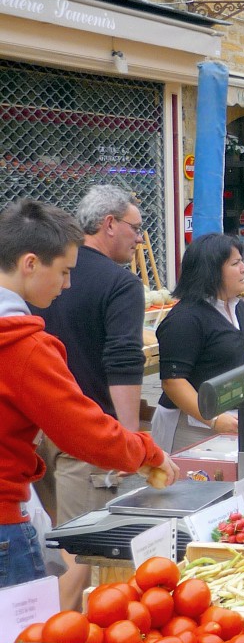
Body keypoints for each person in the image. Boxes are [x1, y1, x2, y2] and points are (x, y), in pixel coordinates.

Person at [0, 199, 177, 587]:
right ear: (30, 263)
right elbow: (81, 428)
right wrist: (147, 451)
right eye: (63, 272)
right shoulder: (21, 345)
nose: (66, 285)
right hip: (4, 520)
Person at [32, 185, 147, 608]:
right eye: (135, 227)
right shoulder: (120, 284)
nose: (139, 238)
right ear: (109, 223)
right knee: (82, 545)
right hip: (86, 431)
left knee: (52, 541)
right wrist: (129, 437)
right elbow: (123, 358)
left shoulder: (39, 274)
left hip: (35, 428)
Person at [153, 233, 244, 454]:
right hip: (194, 428)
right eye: (236, 263)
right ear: (212, 271)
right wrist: (215, 419)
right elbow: (173, 382)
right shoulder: (185, 318)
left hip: (243, 420)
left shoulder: (240, 308)